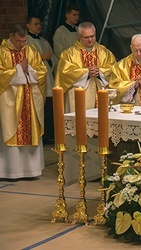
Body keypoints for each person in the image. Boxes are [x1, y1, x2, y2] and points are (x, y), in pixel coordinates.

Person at [0, 24, 47, 180]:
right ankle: (10, 171)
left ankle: (31, 170)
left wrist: (29, 71)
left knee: (30, 128)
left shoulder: (30, 50)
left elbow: (41, 70)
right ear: (11, 36)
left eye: (24, 41)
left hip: (29, 99)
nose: (22, 44)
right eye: (19, 41)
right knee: (10, 128)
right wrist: (18, 69)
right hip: (10, 101)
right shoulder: (2, 52)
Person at [55, 22, 116, 112]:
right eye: (86, 37)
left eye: (92, 36)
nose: (90, 40)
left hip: (101, 95)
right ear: (79, 37)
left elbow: (114, 69)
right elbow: (65, 74)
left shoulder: (104, 52)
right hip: (78, 97)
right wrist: (86, 73)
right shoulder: (68, 54)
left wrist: (100, 72)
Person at [26, 15, 58, 144]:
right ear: (28, 25)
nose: (39, 26)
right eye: (35, 24)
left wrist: (50, 59)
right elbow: (27, 60)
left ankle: (49, 134)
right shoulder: (27, 41)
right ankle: (41, 135)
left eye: (39, 23)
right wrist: (41, 57)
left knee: (49, 107)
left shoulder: (44, 41)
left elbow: (54, 58)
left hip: (48, 77)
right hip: (37, 80)